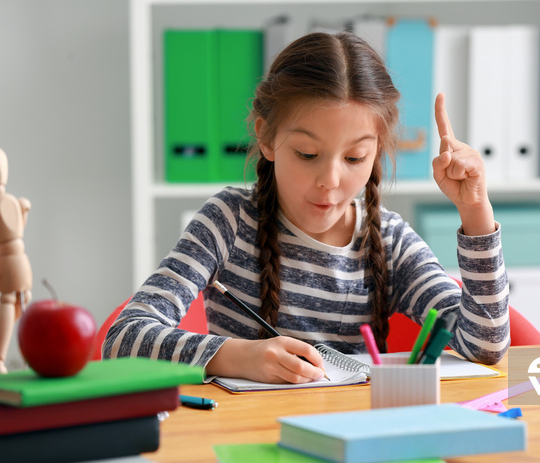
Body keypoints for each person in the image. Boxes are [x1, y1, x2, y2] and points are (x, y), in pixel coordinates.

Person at [103, 32, 509, 384]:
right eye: (307, 153)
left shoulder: (390, 240)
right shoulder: (229, 222)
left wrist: (475, 212)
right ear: (265, 136)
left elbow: (485, 346)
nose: (330, 180)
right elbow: (123, 339)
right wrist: (238, 356)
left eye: (354, 159)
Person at [0, 148, 33, 374]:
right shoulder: (11, 202)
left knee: (20, 299)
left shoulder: (9, 201)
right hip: (12, 261)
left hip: (16, 261)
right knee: (12, 299)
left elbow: (16, 231)